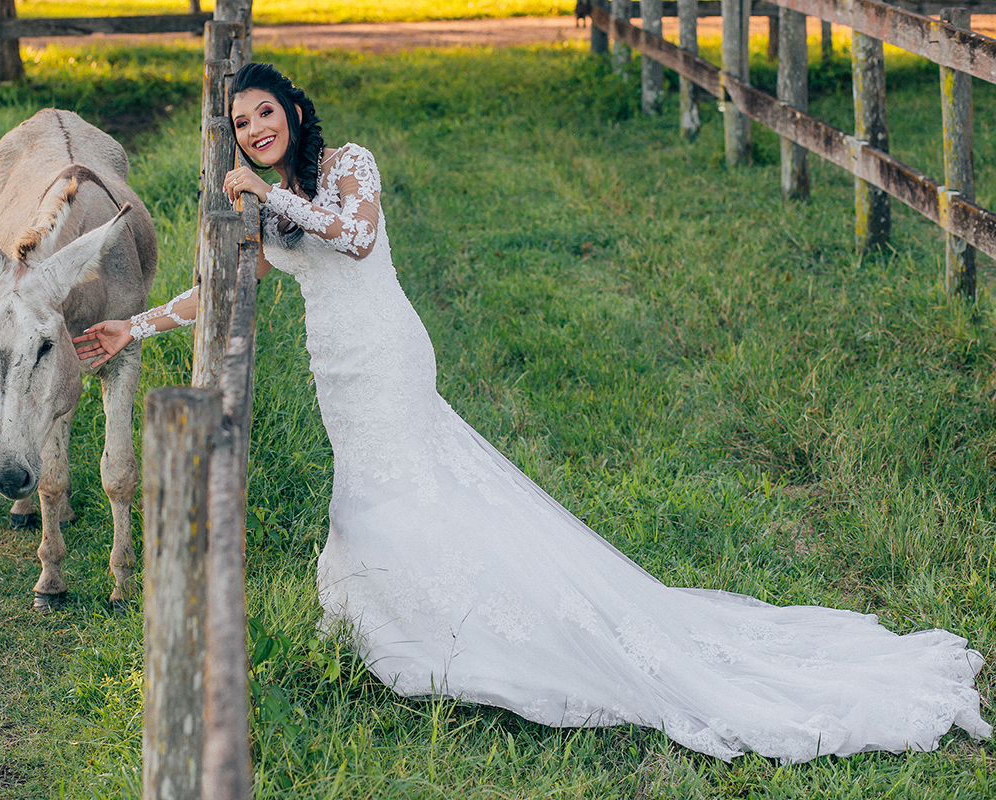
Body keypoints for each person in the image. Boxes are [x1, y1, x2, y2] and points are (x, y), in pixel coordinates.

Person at [73, 62, 991, 762]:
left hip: (387, 352)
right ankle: (408, 626)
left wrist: (269, 194)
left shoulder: (346, 166)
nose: (256, 128)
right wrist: (131, 326)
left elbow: (354, 241)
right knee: (378, 496)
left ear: (294, 113)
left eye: (265, 112)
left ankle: (457, 634)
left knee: (394, 497)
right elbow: (216, 289)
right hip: (335, 374)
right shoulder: (269, 212)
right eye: (241, 123)